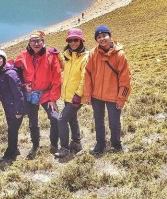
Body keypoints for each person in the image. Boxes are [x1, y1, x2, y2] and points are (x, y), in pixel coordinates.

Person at [84, 25, 132, 155]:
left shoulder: (120, 55)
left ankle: (116, 144)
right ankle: (100, 144)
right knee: (98, 121)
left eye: (104, 36)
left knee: (114, 122)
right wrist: (87, 94)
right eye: (98, 37)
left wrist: (121, 98)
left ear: (110, 36)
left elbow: (125, 80)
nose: (102, 39)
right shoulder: (93, 53)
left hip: (113, 96)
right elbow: (87, 74)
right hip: (96, 96)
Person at [14, 30, 62, 159]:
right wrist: (24, 84)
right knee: (33, 122)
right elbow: (15, 72)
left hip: (47, 94)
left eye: (38, 40)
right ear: (29, 42)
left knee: (55, 118)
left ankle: (54, 144)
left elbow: (57, 79)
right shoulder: (22, 56)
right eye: (33, 41)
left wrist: (53, 99)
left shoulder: (51, 56)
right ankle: (35, 145)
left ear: (43, 42)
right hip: (30, 96)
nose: (36, 43)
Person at [0, 43, 27, 161]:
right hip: (8, 108)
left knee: (11, 130)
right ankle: (14, 149)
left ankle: (10, 153)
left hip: (15, 109)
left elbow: (19, 94)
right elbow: (0, 88)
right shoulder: (0, 73)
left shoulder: (10, 74)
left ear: (4, 59)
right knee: (12, 129)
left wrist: (19, 111)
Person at [54, 29, 89, 159]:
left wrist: (78, 94)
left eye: (76, 40)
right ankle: (76, 143)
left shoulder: (85, 57)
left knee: (62, 119)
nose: (73, 43)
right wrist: (58, 55)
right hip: (67, 95)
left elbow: (85, 78)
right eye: (70, 40)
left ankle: (64, 148)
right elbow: (63, 67)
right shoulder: (68, 55)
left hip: (76, 96)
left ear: (81, 40)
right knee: (72, 119)